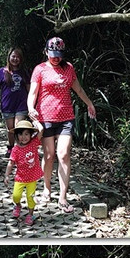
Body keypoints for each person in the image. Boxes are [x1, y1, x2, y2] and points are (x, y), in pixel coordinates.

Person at [27, 37, 96, 213]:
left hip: (66, 118)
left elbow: (78, 89)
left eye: (59, 54)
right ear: (46, 52)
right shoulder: (40, 69)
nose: (56, 58)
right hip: (46, 118)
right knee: (49, 155)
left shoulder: (69, 68)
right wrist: (30, 108)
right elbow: (33, 93)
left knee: (63, 154)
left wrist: (89, 104)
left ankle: (63, 197)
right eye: (52, 54)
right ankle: (47, 189)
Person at [0, 47, 31, 156]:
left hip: (21, 104)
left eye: (18, 57)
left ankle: (20, 150)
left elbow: (29, 88)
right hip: (7, 105)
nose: (15, 59)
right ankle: (11, 147)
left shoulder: (24, 72)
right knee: (11, 129)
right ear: (9, 57)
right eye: (13, 56)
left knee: (18, 127)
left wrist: (32, 103)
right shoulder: (2, 71)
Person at [4, 119, 44, 226]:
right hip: (20, 178)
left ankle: (30, 214)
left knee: (30, 197)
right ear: (17, 136)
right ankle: (18, 205)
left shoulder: (34, 143)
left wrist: (35, 121)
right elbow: (11, 163)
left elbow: (41, 130)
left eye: (27, 134)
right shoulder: (15, 149)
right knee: (16, 196)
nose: (24, 137)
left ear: (31, 135)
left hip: (32, 177)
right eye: (21, 134)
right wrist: (7, 175)